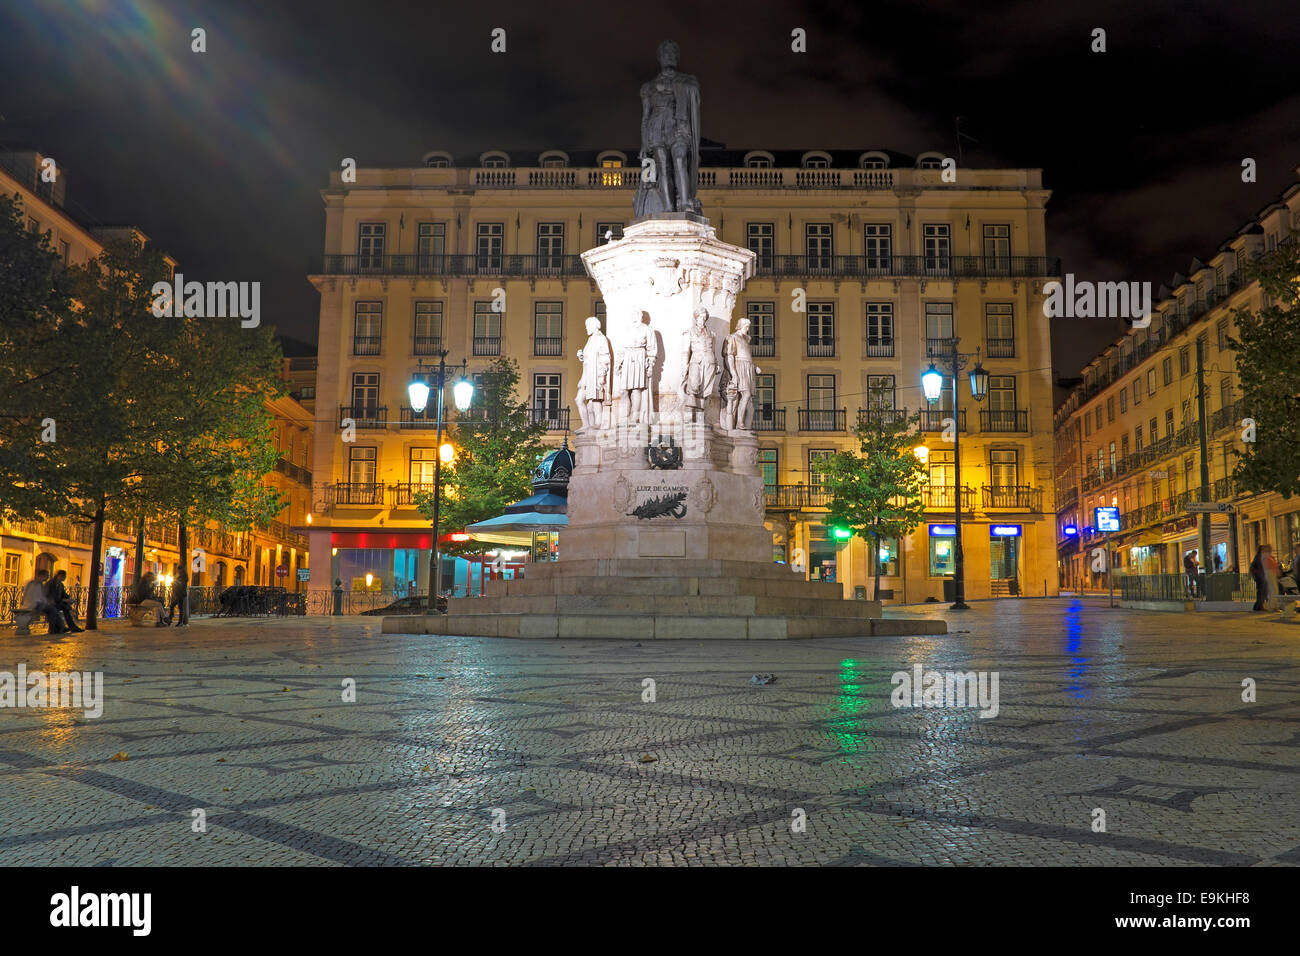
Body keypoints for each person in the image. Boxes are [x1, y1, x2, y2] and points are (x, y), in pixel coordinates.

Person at [20, 569, 63, 633]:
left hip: (38, 603)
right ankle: (54, 629)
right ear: (42, 575)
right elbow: (33, 597)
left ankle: (59, 628)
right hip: (33, 604)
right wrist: (45, 603)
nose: (48, 577)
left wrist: (47, 602)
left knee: (53, 608)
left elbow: (42, 597)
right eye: (47, 576)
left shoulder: (40, 584)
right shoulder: (32, 583)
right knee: (52, 609)